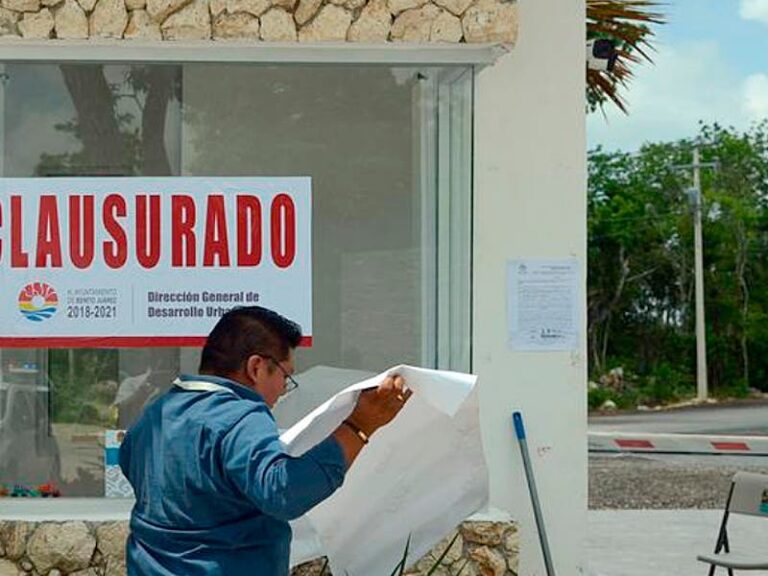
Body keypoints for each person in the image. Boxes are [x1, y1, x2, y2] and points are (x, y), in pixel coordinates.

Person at [119, 306, 411, 576]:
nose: (283, 390)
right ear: (256, 367)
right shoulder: (240, 415)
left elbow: (132, 464)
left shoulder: (155, 414)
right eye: (286, 376)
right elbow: (283, 491)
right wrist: (359, 426)